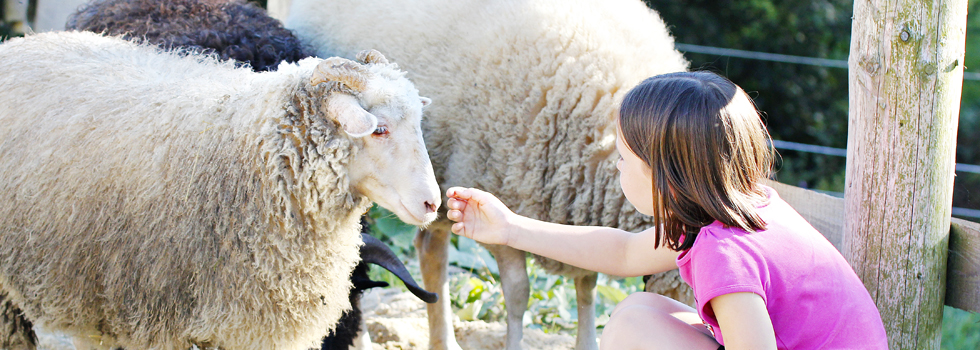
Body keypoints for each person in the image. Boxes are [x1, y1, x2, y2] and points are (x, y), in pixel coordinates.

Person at [444, 71, 888, 350]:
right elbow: (623, 254)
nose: (616, 165)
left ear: (665, 175)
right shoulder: (741, 207)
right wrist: (510, 228)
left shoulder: (724, 253)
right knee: (637, 313)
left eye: (622, 157)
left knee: (635, 332)